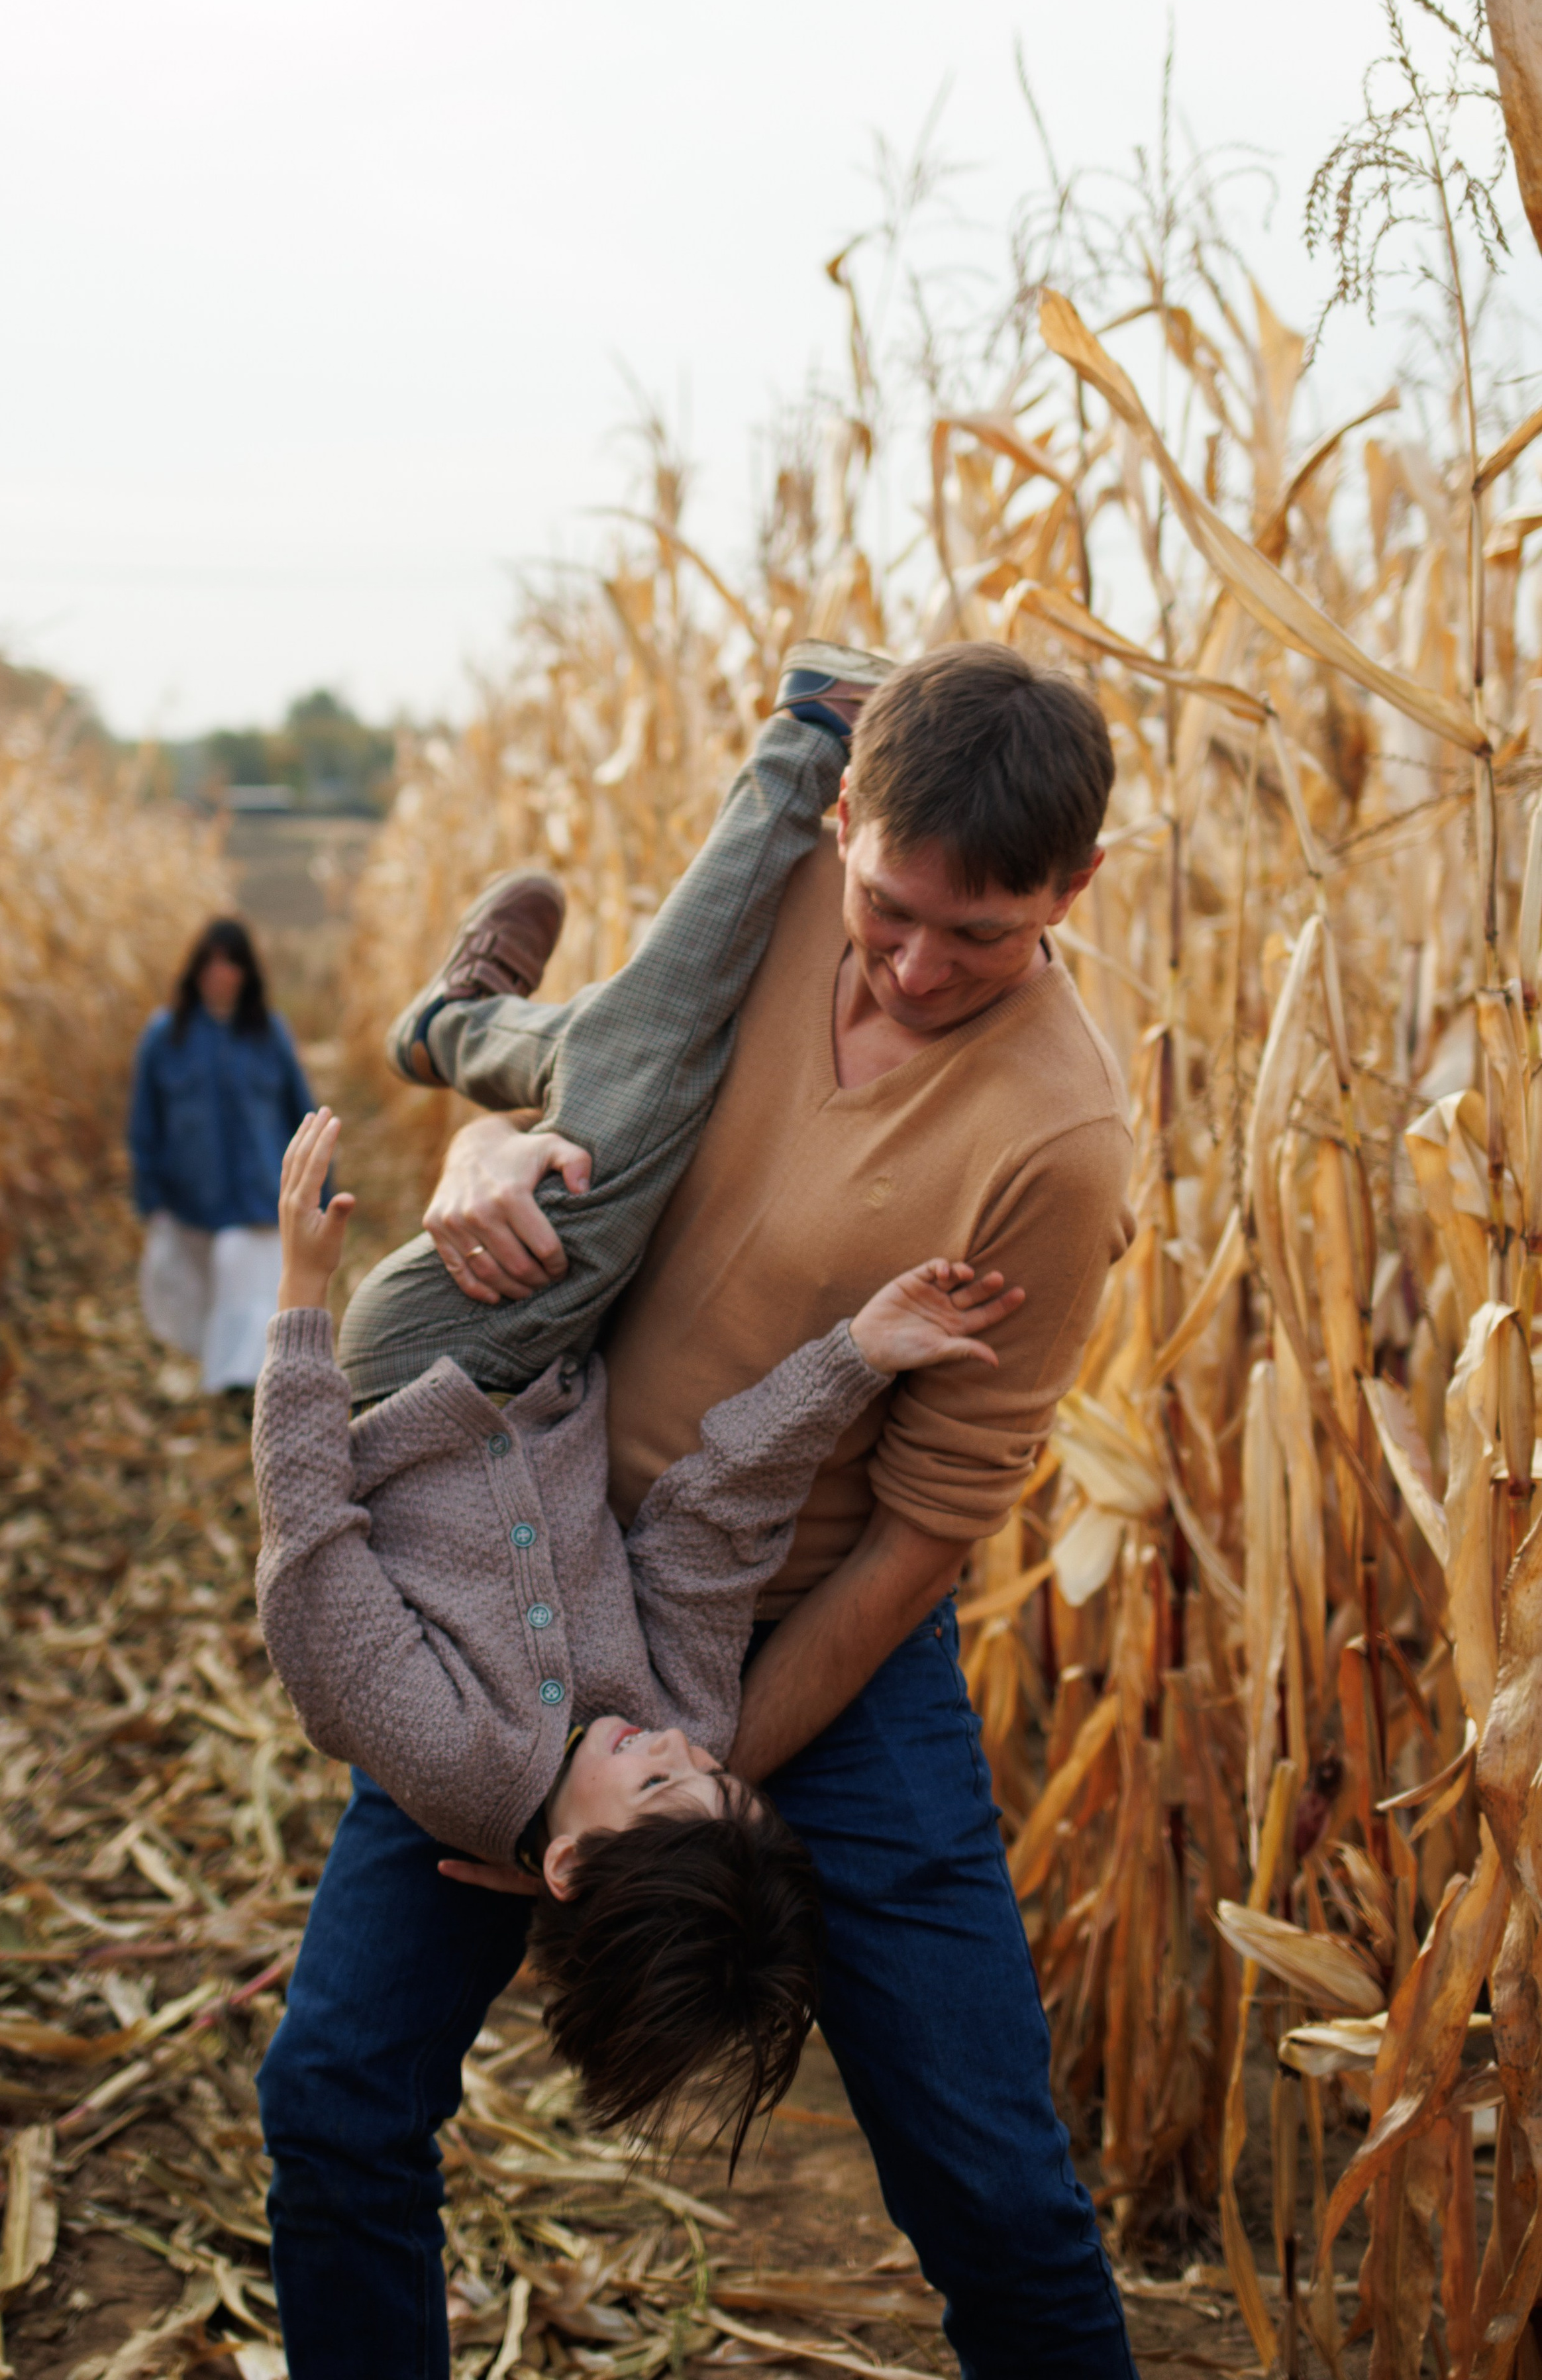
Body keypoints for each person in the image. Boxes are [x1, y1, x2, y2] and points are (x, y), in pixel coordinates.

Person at [257, 641, 1140, 2380]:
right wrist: (481, 1156)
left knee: (988, 2185)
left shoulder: (1056, 1136)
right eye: (890, 910)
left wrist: (680, 1758)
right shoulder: (779, 902)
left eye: (980, 936)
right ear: (845, 823)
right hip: (528, 1588)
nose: (915, 966)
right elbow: (615, 1077)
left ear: (1077, 888)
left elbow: (923, 1527)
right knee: (338, 2096)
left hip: (810, 1637)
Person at [257, 1104, 1018, 2163]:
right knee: (625, 1114)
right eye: (710, 1772)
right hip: (556, 1354)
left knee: (644, 1068)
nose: (678, 1745)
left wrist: (300, 1297)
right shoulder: (686, 1716)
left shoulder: (445, 1750)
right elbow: (712, 1525)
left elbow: (309, 1550)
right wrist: (852, 1359)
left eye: (662, 1782)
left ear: (565, 1866)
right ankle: (473, 1034)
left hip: (410, 1372)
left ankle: (453, 1028)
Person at [128, 918, 317, 1394]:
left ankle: (240, 1387)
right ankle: (224, 1374)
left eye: (231, 962)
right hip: (191, 1198)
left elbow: (300, 1112)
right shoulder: (165, 1036)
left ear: (246, 972)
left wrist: (316, 1190)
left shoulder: (268, 1033)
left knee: (246, 1287)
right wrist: (151, 1197)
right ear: (195, 969)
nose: (220, 973)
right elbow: (145, 1123)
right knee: (201, 1296)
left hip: (257, 1195)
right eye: (210, 962)